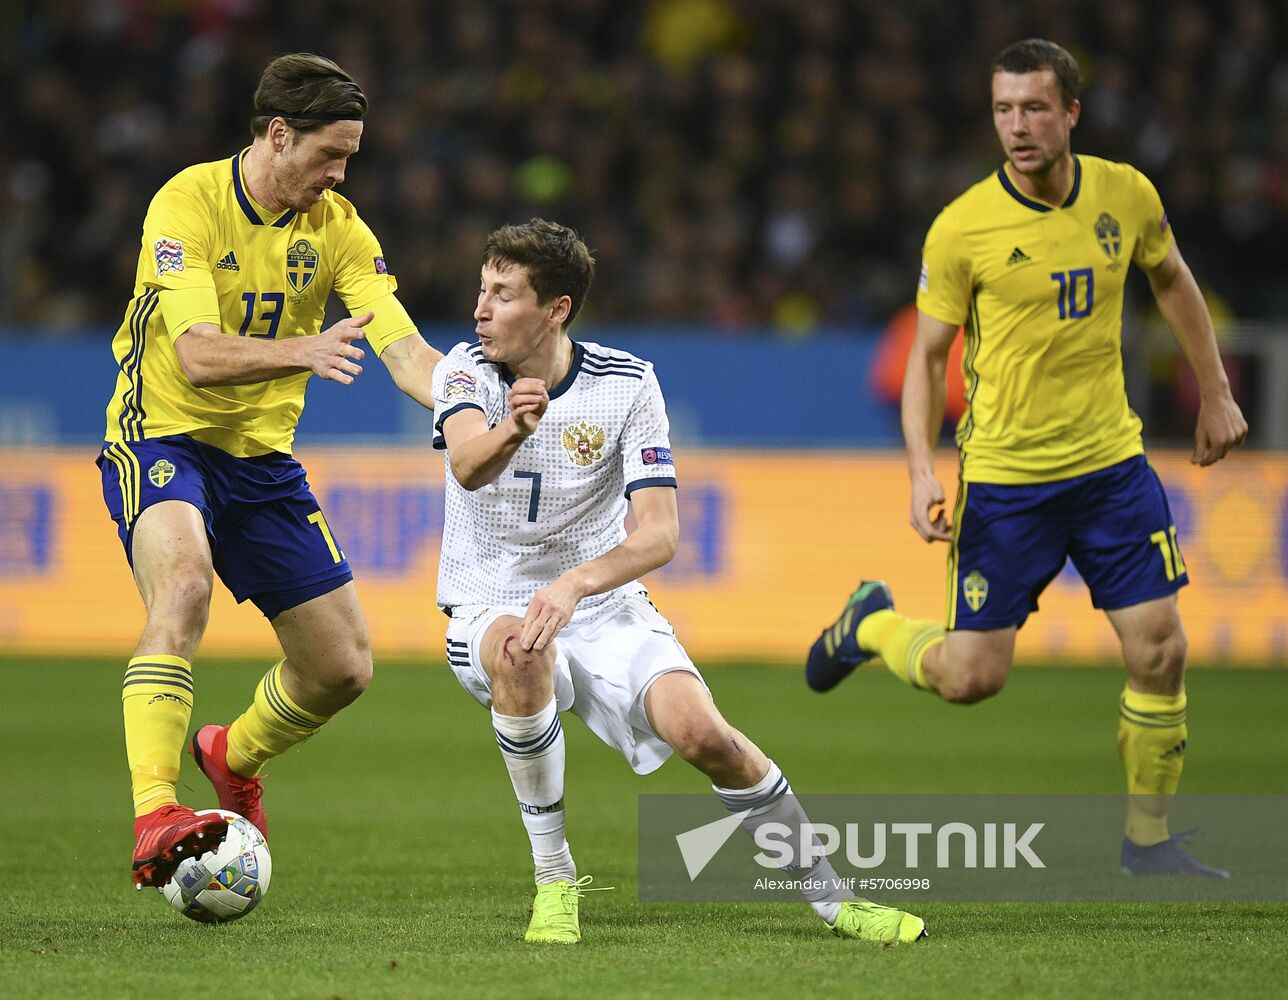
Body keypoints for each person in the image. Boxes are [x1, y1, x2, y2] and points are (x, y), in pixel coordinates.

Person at [805, 39, 1247, 877]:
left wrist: (1216, 390)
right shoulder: (963, 227)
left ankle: (1148, 843)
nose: (1018, 126)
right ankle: (871, 623)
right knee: (972, 679)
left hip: (1112, 467)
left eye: (1035, 108)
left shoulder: (1126, 193)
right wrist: (922, 470)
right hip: (1007, 483)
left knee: (1161, 649)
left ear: (1071, 113)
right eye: (1004, 110)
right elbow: (926, 359)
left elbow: (1171, 277)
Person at [433, 218, 925, 944]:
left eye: (503, 294)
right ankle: (555, 880)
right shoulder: (464, 370)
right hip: (489, 600)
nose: (481, 309)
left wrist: (575, 585)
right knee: (521, 651)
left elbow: (660, 534)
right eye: (483, 289)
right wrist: (515, 428)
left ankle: (834, 899)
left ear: (556, 309)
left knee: (704, 734)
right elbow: (467, 464)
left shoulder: (628, 384)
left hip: (599, 601)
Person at [99, 53, 442, 889]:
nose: (340, 175)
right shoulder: (187, 203)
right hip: (163, 438)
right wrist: (303, 350)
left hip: (261, 463)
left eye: (350, 158)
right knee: (184, 587)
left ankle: (233, 754)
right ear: (278, 134)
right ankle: (154, 814)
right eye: (330, 155)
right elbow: (196, 355)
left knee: (342, 669)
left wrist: (479, 404)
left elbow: (405, 351)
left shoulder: (339, 229)